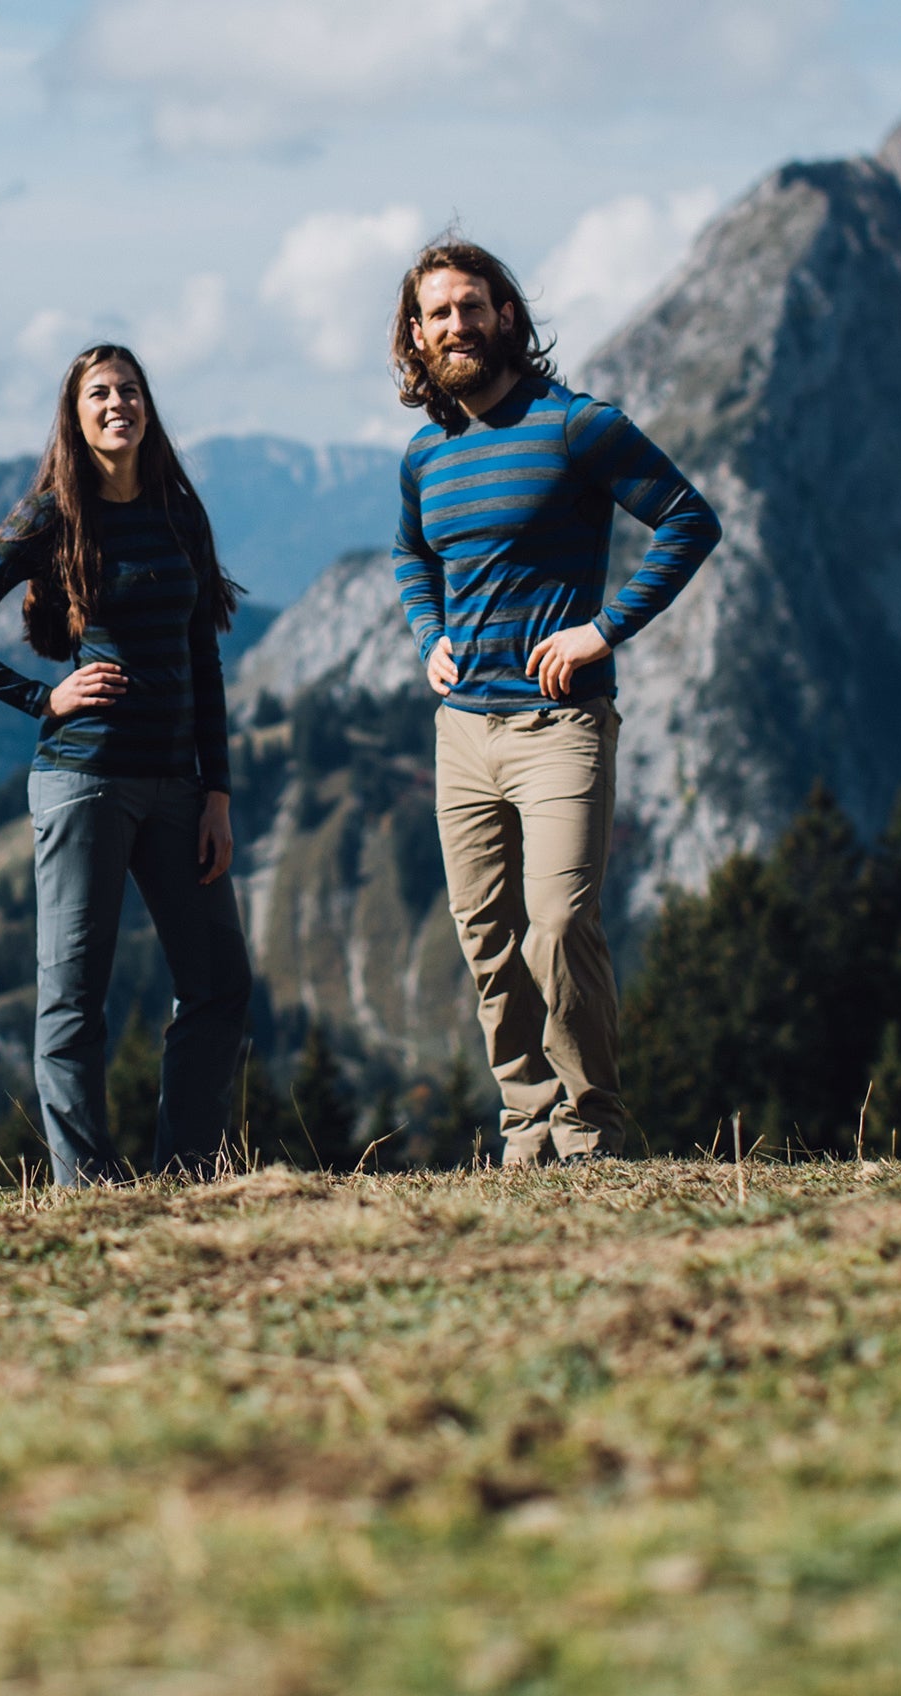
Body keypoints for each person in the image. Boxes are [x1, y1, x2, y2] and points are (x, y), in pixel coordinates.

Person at [391, 237, 719, 1165]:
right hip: (463, 731)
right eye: (438, 312)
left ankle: (591, 1128)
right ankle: (527, 1125)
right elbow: (411, 555)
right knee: (487, 937)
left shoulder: (578, 427)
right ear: (415, 336)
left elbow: (690, 520)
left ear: (506, 316)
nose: (457, 324)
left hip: (561, 725)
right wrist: (431, 637)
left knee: (562, 923)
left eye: (472, 305)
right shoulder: (426, 457)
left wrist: (603, 630)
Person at [0, 344, 251, 1183]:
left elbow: (203, 659)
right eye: (98, 393)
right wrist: (43, 699)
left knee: (218, 985)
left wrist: (217, 789)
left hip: (178, 786)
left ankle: (187, 1177)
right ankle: (89, 1188)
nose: (117, 405)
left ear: (148, 407)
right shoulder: (51, 517)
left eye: (129, 391)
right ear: (74, 415)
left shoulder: (180, 510)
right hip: (84, 783)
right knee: (72, 999)